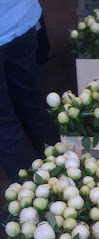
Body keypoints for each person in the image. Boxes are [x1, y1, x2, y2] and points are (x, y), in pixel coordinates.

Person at [0, 0, 58, 181]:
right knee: (32, 105)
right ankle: (65, 181)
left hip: (18, 18)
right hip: (20, 16)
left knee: (4, 125)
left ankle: (35, 196)